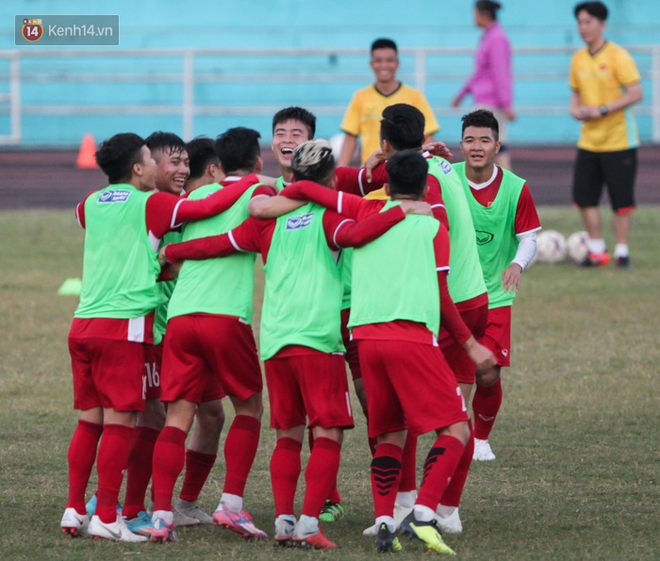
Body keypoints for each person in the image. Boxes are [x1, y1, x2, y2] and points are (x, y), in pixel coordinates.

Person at [160, 140, 429, 549]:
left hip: (275, 340)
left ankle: (285, 520)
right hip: (318, 339)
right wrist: (400, 209)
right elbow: (358, 233)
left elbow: (218, 244)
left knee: (288, 430)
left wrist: (174, 251)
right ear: (329, 178)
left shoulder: (266, 223)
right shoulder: (328, 216)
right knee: (328, 431)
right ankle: (307, 524)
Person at [60, 132, 268, 542]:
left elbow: (84, 215)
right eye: (166, 162)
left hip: (93, 322)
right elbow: (206, 205)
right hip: (133, 326)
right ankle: (119, 510)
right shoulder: (157, 205)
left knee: (102, 420)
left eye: (184, 162)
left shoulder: (92, 202)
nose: (178, 169)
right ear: (142, 166)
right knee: (134, 419)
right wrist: (248, 181)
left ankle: (82, 507)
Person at [150, 128, 275, 543]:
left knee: (179, 416)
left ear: (217, 165)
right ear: (257, 162)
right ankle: (232, 505)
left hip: (182, 318)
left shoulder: (194, 199)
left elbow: (170, 261)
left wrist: (174, 254)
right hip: (225, 317)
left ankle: (164, 514)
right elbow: (243, 238)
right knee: (250, 409)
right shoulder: (260, 193)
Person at [453, 109, 541, 462]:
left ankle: (480, 437)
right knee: (451, 373)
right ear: (461, 145)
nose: (477, 147)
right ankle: (451, 431)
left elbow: (529, 237)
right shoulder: (446, 180)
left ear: (496, 145)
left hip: (495, 295)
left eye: (484, 140)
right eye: (470, 140)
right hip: (452, 292)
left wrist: (518, 264)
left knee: (486, 371)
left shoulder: (516, 187)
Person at [569, 1, 642, 269]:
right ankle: (597, 250)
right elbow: (575, 92)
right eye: (580, 22)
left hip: (619, 141)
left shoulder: (618, 56)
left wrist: (602, 109)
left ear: (602, 24)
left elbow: (636, 93)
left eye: (588, 22)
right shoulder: (577, 58)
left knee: (621, 200)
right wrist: (575, 109)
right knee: (583, 196)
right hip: (589, 141)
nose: (583, 28)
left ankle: (622, 252)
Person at [338, 38, 439, 167]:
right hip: (371, 173)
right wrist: (339, 173)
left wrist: (420, 167)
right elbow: (350, 138)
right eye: (378, 60)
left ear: (397, 63)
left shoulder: (415, 96)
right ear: (371, 64)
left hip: (405, 171)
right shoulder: (360, 96)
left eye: (389, 60)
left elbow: (428, 135)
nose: (384, 65)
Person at [452, 1, 515, 170]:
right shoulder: (489, 36)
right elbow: (480, 72)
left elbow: (500, 73)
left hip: (493, 103)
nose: (473, 17)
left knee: (496, 147)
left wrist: (506, 104)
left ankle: (510, 192)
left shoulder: (497, 38)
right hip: (485, 101)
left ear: (484, 14)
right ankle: (494, 191)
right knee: (487, 148)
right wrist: (462, 94)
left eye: (475, 13)